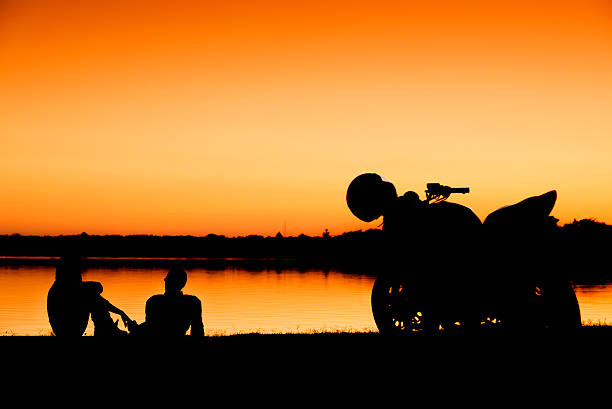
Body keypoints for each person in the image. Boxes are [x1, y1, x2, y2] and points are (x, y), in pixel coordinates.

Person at [47, 256, 131, 336]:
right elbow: (97, 292)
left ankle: (106, 329)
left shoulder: (56, 289)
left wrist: (120, 312)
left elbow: (98, 288)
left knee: (92, 293)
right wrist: (120, 312)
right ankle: (106, 329)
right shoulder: (68, 290)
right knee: (92, 295)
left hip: (63, 330)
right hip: (70, 329)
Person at [127, 266, 204, 337]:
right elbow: (198, 330)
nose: (165, 280)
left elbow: (152, 327)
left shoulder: (154, 301)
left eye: (167, 279)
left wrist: (136, 329)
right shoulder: (193, 302)